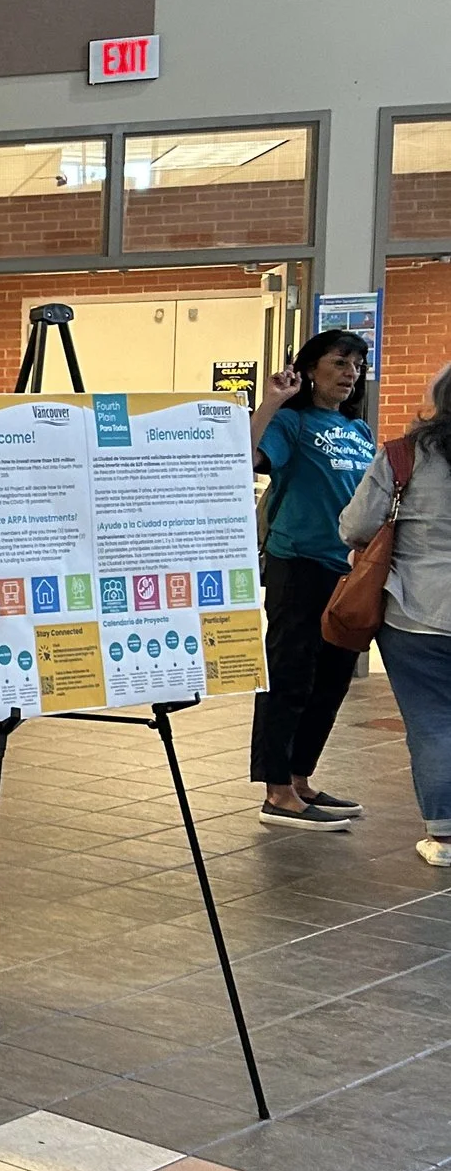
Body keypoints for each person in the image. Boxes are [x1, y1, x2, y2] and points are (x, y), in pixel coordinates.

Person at [251, 329, 375, 830]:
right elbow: (244, 457)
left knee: (331, 682)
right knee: (289, 678)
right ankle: (276, 791)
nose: (350, 373)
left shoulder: (359, 431)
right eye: (340, 362)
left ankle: (301, 778)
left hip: (348, 573)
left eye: (357, 365)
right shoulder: (291, 423)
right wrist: (271, 402)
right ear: (311, 368)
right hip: (298, 566)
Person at [343, 359, 451, 867]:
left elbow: (357, 525)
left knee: (431, 722)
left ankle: (445, 836)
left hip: (416, 613)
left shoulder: (403, 456)